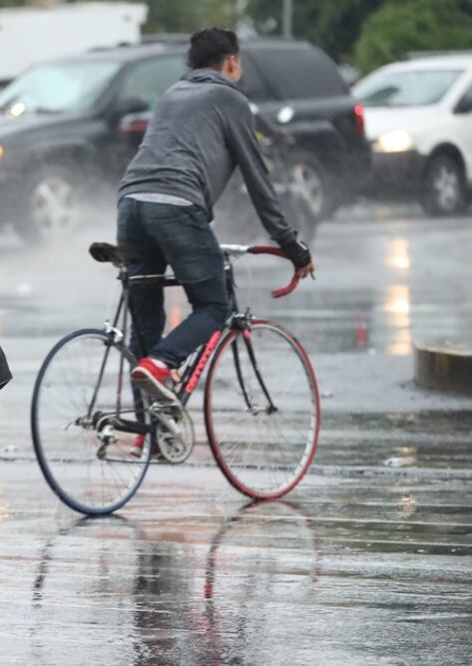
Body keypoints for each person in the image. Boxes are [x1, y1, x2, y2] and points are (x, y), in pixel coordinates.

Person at [116, 28, 314, 446]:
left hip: (130, 204)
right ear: (231, 62)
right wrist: (291, 244)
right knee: (213, 304)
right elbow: (258, 180)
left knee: (146, 320)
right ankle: (161, 367)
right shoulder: (230, 99)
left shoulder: (170, 95)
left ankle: (148, 430)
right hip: (176, 207)